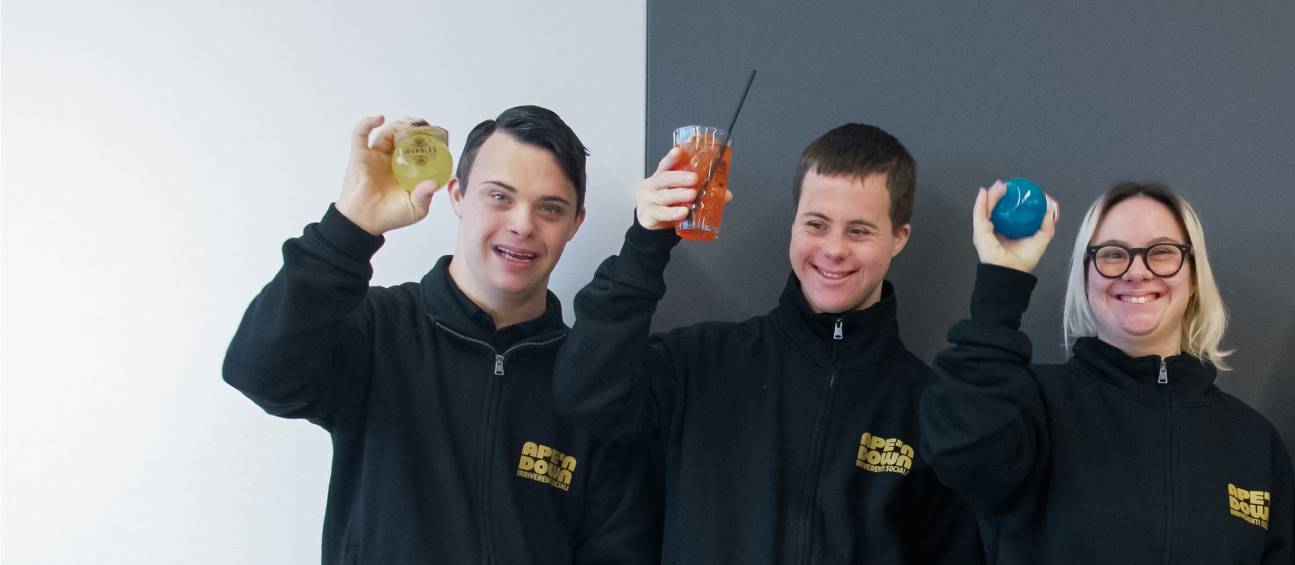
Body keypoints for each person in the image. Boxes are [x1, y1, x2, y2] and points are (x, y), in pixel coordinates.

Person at [224, 106, 655, 564]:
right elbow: (259, 372)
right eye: (499, 197)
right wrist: (350, 227)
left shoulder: (590, 384)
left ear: (575, 222)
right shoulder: (380, 328)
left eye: (549, 207)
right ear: (458, 196)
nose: (523, 224)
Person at [552, 123, 982, 564]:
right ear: (794, 225)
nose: (834, 249)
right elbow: (586, 392)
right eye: (817, 224)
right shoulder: (704, 362)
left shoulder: (928, 408)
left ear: (899, 238)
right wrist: (646, 242)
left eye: (859, 231)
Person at [921, 180, 1295, 564]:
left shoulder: (1253, 441)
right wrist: (1002, 280)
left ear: (1192, 278)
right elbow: (961, 451)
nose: (1137, 272)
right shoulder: (1028, 407)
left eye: (1161, 252)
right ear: (1086, 278)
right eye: (1112, 254)